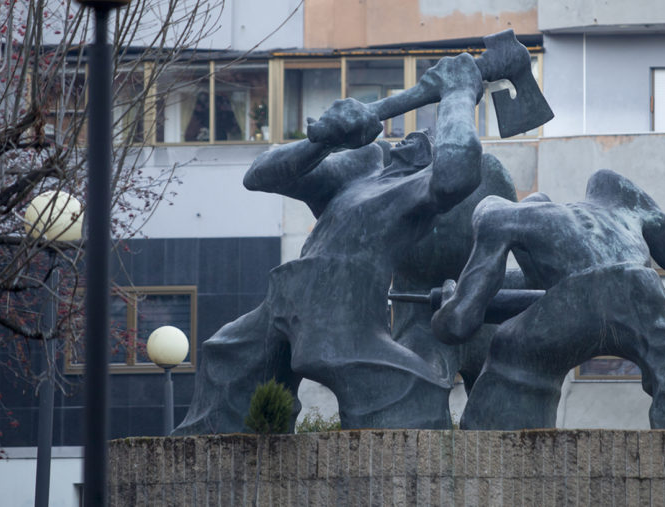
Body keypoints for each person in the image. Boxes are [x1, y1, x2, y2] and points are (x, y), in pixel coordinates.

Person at [174, 53, 498, 433]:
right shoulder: (363, 167)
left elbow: (456, 173)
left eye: (436, 136)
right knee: (225, 360)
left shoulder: (421, 192)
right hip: (281, 302)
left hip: (347, 317)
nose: (424, 133)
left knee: (405, 400)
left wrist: (459, 93)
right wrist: (323, 141)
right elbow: (259, 176)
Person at [432, 169, 665, 433]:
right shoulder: (626, 205)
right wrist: (664, 320)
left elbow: (459, 323)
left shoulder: (500, 212)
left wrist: (452, 298)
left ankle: (500, 457)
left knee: (510, 357)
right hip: (642, 298)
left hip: (563, 320)